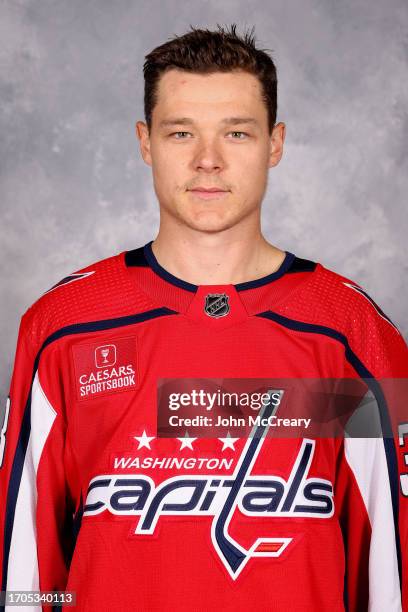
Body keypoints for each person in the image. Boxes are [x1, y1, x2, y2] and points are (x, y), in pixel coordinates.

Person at [0, 24, 407, 612]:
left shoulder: (352, 332)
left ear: (275, 143)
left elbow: (391, 571)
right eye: (181, 132)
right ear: (146, 142)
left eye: (237, 133)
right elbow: (25, 567)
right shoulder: (63, 327)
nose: (208, 160)